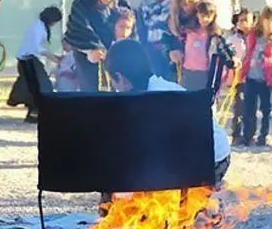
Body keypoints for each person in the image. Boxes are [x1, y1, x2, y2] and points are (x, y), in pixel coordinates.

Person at [98, 39, 231, 213]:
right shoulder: (170, 90)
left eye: (113, 81)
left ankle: (109, 219)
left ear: (121, 77)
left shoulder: (140, 103)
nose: (115, 88)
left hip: (193, 166)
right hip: (216, 161)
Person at [64, 0, 131, 92]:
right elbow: (79, 28)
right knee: (91, 94)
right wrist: (94, 48)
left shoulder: (119, 5)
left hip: (115, 57)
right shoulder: (82, 3)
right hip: (89, 58)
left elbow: (129, 25)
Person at [7, 6, 63, 123]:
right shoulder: (37, 27)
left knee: (33, 87)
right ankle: (35, 112)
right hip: (28, 59)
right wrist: (52, 57)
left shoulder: (40, 26)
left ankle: (33, 114)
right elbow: (36, 48)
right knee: (43, 86)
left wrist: (53, 56)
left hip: (30, 60)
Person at [241, 5, 272, 147]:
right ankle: (248, 135)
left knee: (266, 109)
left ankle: (263, 135)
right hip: (251, 77)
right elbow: (247, 53)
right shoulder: (255, 36)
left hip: (266, 80)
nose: (270, 24)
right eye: (267, 20)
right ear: (262, 20)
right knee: (248, 108)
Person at [180, 0, 238, 91]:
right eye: (202, 16)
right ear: (197, 14)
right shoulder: (188, 30)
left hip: (205, 72)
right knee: (187, 98)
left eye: (208, 16)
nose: (205, 19)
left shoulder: (215, 35)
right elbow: (175, 38)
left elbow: (227, 47)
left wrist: (233, 57)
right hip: (188, 71)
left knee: (204, 98)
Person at [135, 0, 178, 81]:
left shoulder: (174, 4)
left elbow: (178, 30)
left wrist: (176, 48)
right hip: (151, 51)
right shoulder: (144, 4)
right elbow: (140, 29)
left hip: (170, 52)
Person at [224, 9, 254, 145]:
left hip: (253, 76)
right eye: (241, 20)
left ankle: (249, 135)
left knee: (251, 107)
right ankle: (237, 134)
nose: (245, 23)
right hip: (237, 77)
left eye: (247, 20)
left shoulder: (255, 38)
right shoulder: (232, 39)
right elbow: (228, 55)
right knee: (239, 106)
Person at [167, 0, 200, 80]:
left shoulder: (201, 18)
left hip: (199, 69)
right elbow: (165, 41)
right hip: (179, 70)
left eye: (188, 2)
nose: (185, 7)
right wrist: (170, 52)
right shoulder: (172, 19)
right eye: (181, 3)